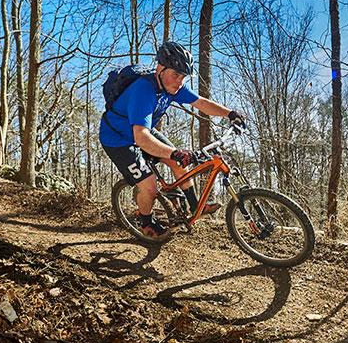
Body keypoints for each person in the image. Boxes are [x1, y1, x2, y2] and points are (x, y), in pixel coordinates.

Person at [100, 41, 245, 238]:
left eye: (183, 77)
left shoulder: (172, 86)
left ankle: (195, 206)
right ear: (160, 69)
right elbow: (141, 138)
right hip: (118, 140)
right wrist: (174, 152)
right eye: (176, 74)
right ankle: (146, 221)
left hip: (144, 132)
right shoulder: (143, 91)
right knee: (150, 186)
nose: (180, 81)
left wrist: (230, 114)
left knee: (179, 163)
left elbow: (201, 103)